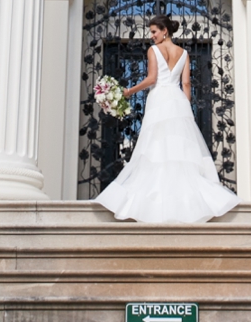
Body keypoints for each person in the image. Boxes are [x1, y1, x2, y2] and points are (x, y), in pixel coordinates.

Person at [94, 13, 240, 224]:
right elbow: (187, 84)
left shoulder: (154, 50)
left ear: (165, 31)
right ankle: (185, 204)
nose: (151, 36)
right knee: (178, 150)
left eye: (154, 31)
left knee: (156, 147)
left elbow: (152, 79)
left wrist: (128, 92)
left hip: (161, 98)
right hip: (178, 100)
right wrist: (186, 107)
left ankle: (157, 204)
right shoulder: (184, 53)